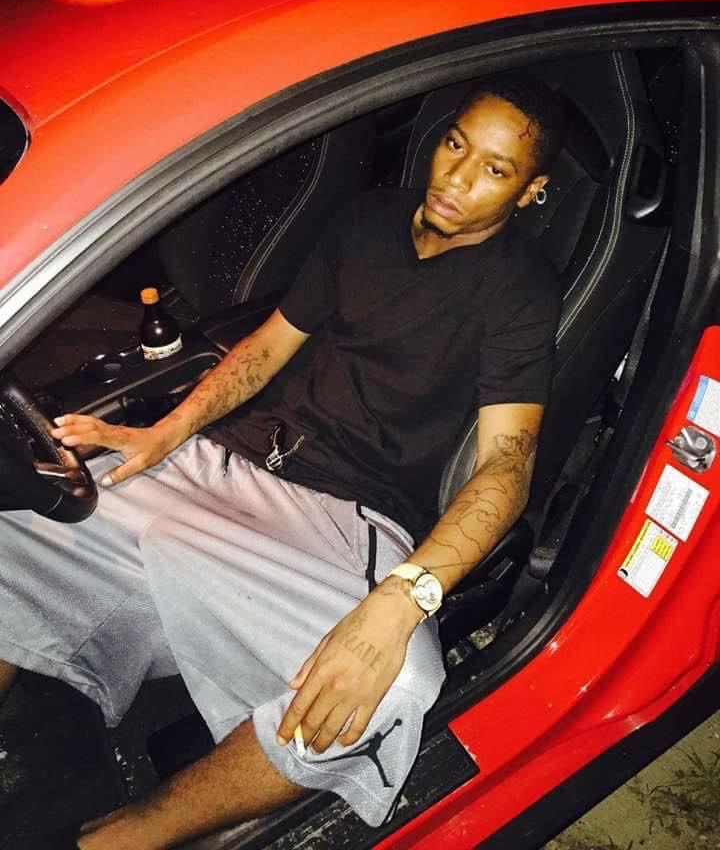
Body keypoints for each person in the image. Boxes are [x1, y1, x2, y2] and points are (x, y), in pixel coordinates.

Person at [0, 74, 565, 850]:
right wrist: (168, 431)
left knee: (395, 689)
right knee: (22, 502)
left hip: (345, 516)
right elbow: (267, 347)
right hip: (228, 459)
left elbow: (508, 461)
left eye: (494, 170)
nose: (457, 179)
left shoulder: (519, 289)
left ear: (530, 191)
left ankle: (125, 836)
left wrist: (408, 596)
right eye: (455, 145)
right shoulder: (367, 219)